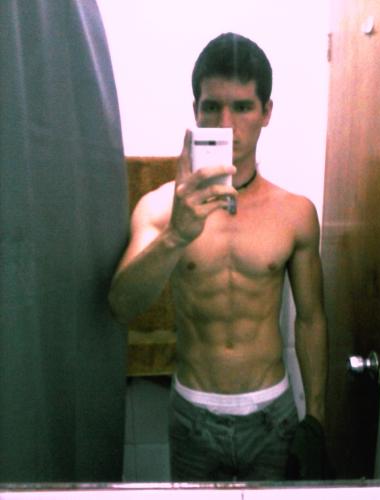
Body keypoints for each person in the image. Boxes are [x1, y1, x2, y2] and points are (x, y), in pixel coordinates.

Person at [109, 32, 328, 482]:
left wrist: (317, 419)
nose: (226, 123)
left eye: (243, 107)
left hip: (272, 415)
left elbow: (311, 319)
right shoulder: (159, 208)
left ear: (267, 112)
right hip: (193, 415)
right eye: (212, 107)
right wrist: (176, 235)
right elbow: (121, 306)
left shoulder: (296, 214)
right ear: (196, 111)